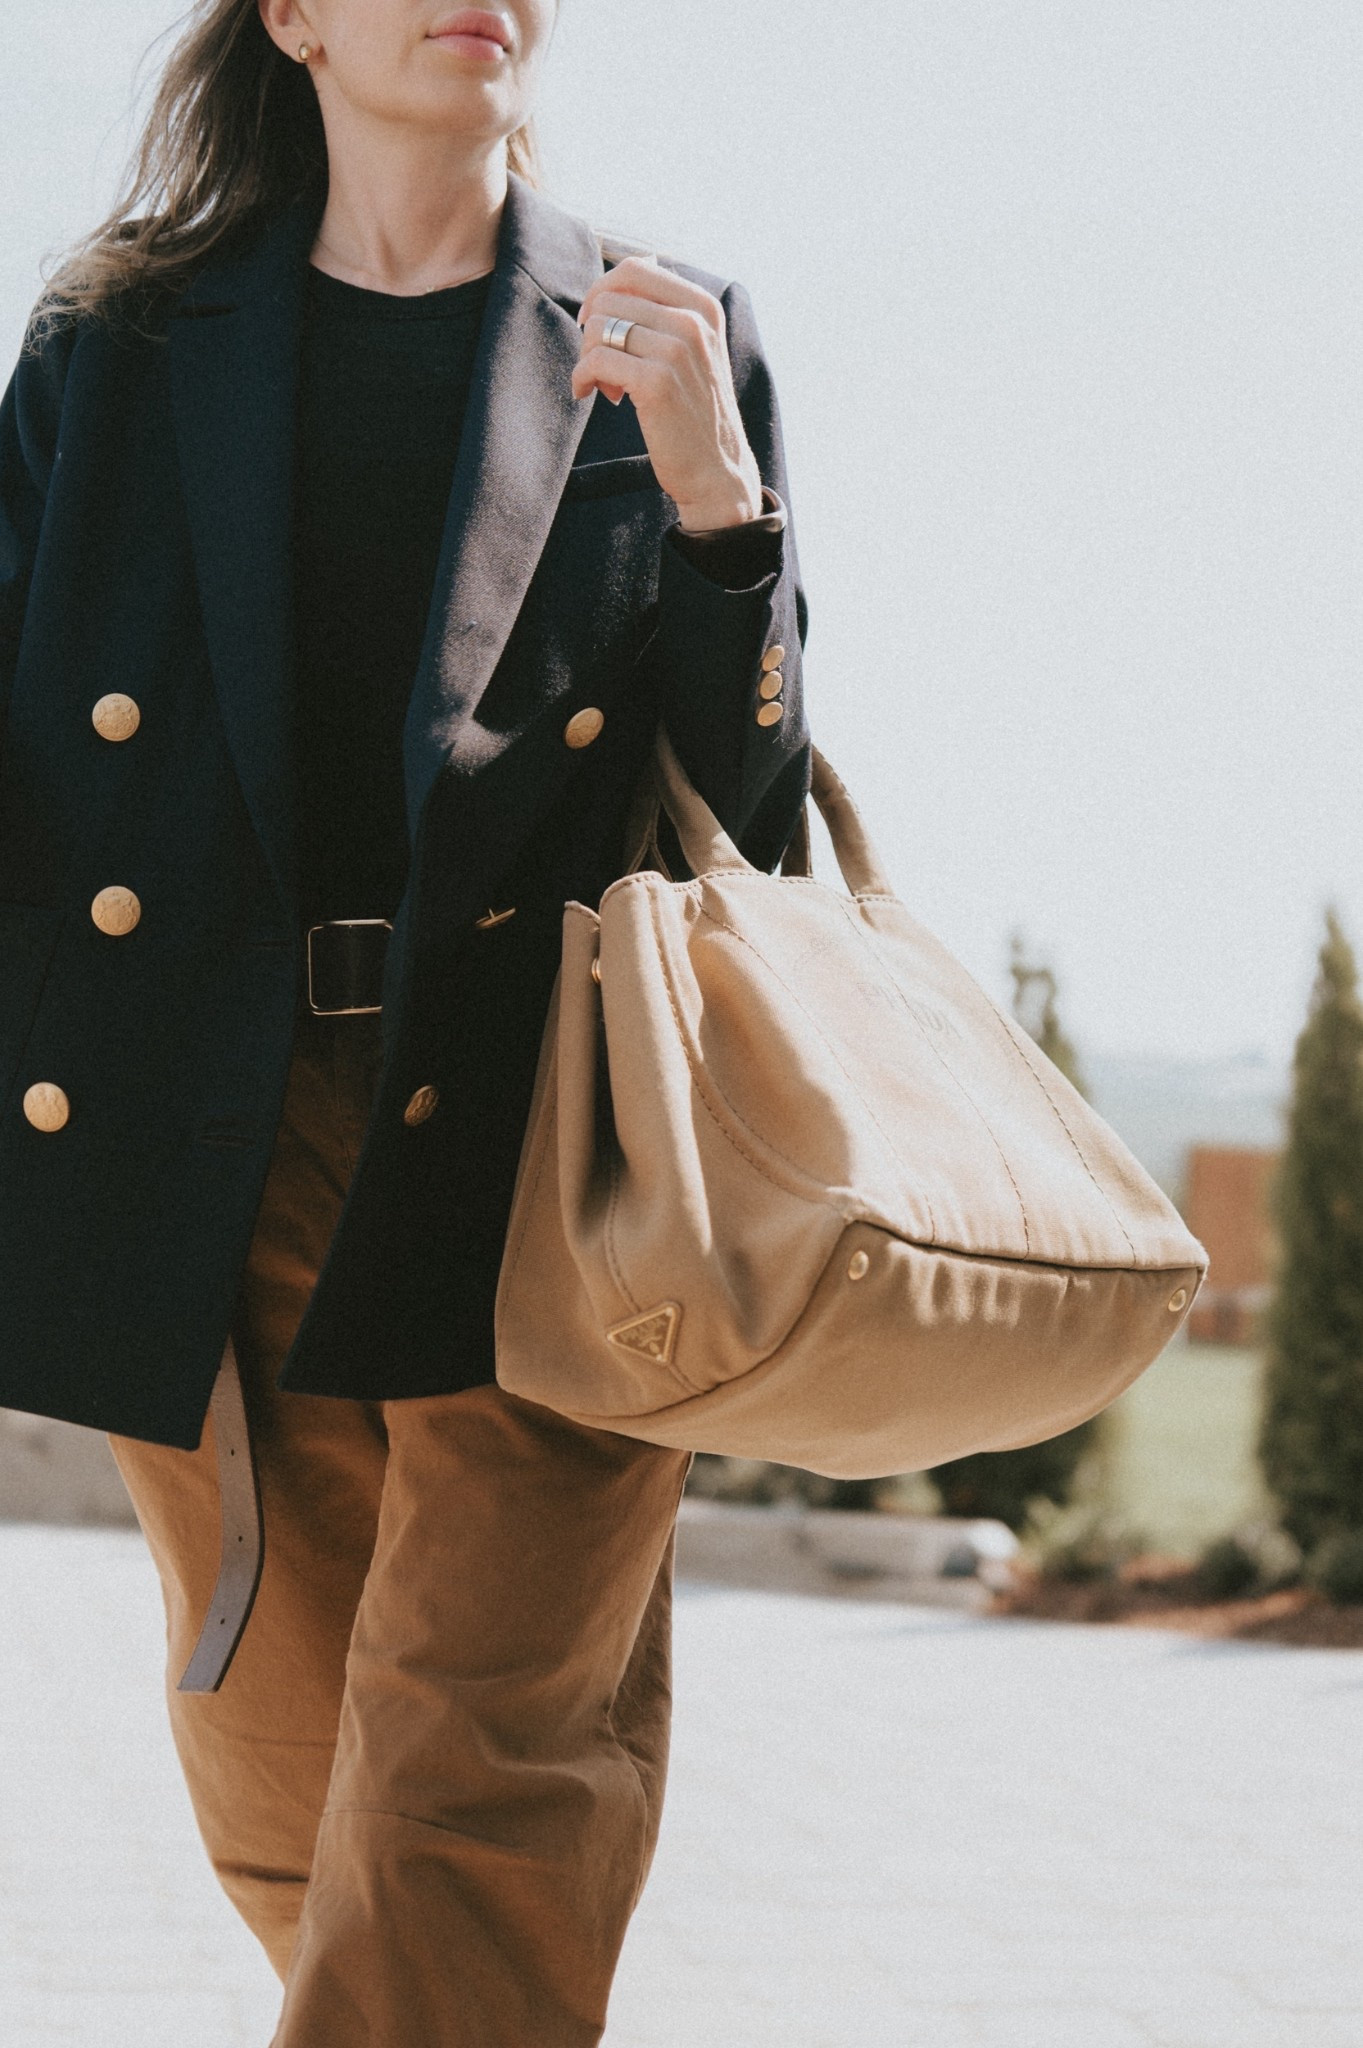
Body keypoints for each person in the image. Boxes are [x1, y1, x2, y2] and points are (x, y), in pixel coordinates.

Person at [0, 0, 810, 2038]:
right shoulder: (117, 345)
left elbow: (759, 821)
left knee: (474, 1763)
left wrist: (722, 518)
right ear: (290, 18)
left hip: (551, 1139)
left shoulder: (671, 331)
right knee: (291, 1761)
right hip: (206, 1121)